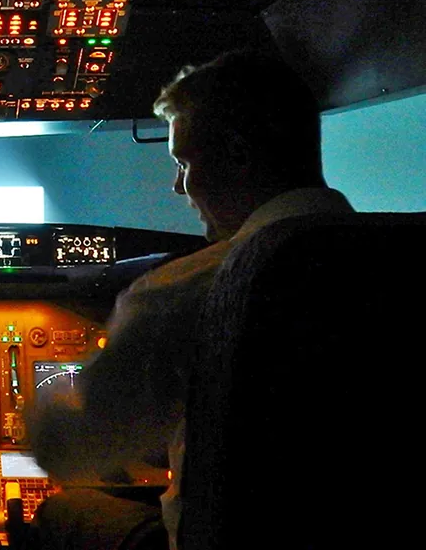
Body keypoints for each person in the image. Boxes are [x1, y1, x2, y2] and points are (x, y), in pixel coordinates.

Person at [28, 50, 354, 549]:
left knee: (63, 512)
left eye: (184, 162)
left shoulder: (189, 292)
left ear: (240, 158)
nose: (177, 186)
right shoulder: (398, 256)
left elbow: (68, 448)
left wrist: (42, 395)